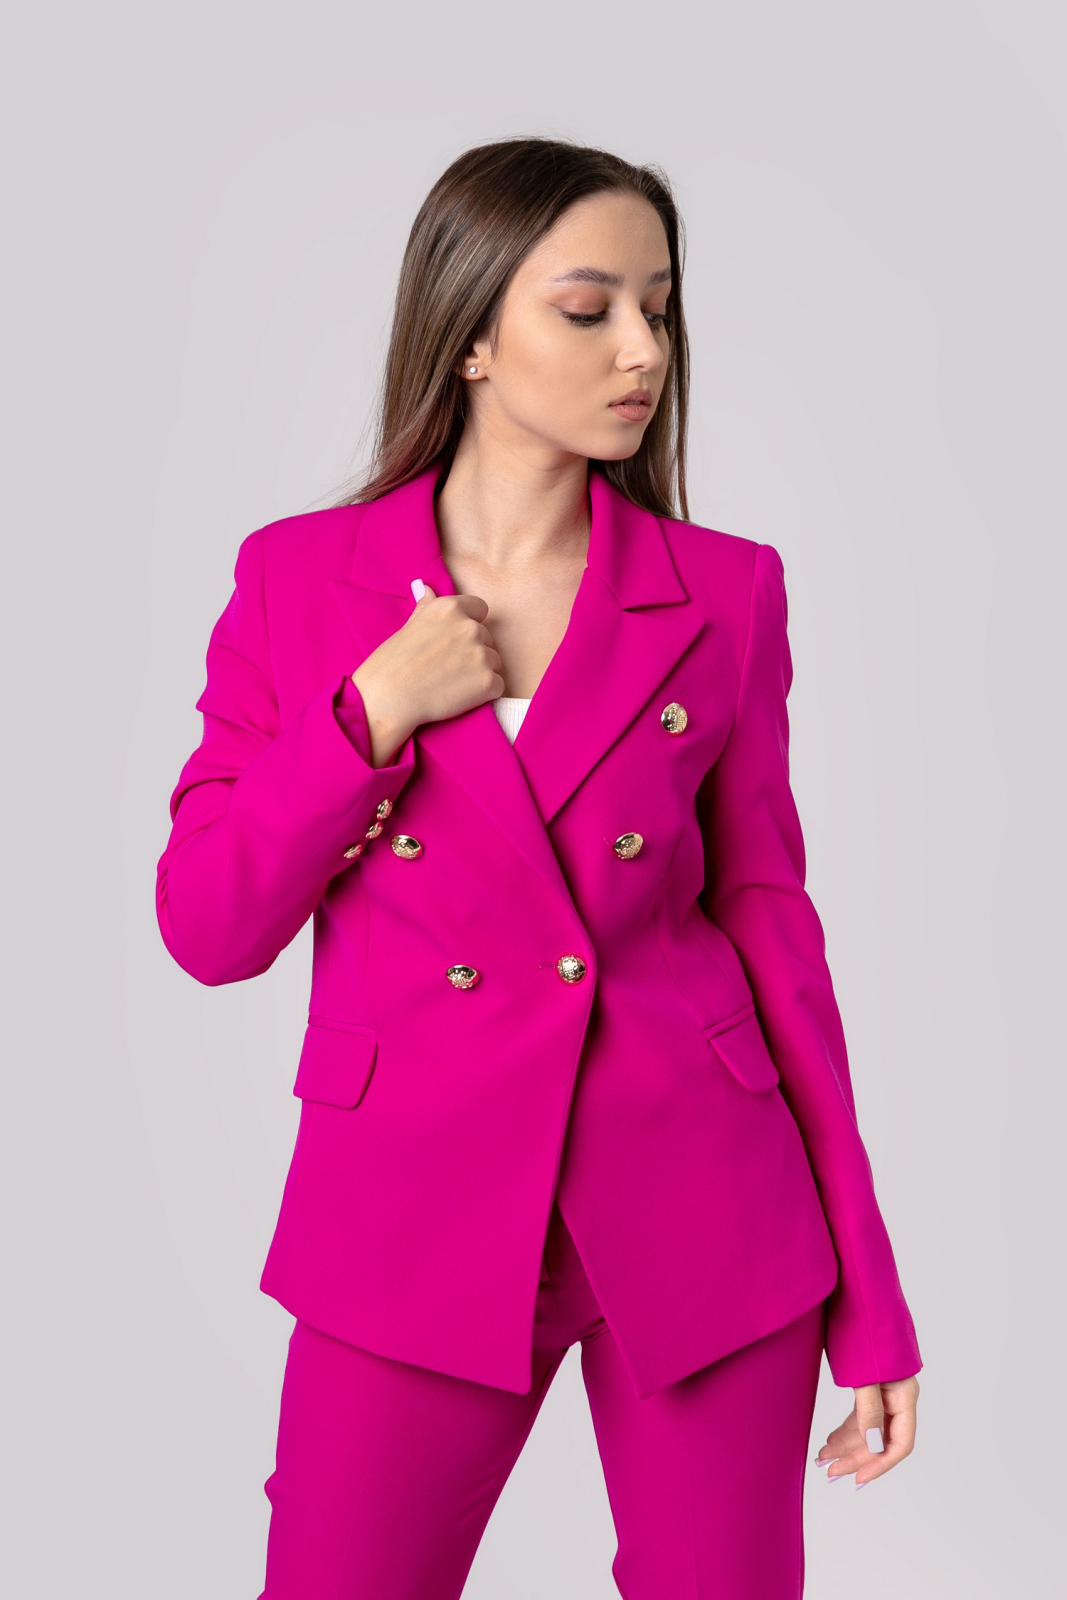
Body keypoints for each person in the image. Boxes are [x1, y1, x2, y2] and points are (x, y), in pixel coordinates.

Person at [155, 136, 922, 1600]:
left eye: (660, 309)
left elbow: (773, 928)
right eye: (589, 309)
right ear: (471, 338)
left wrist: (871, 1299)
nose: (643, 351)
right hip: (410, 1209)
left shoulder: (726, 592)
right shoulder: (297, 581)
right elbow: (207, 924)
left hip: (706, 1204)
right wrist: (371, 711)